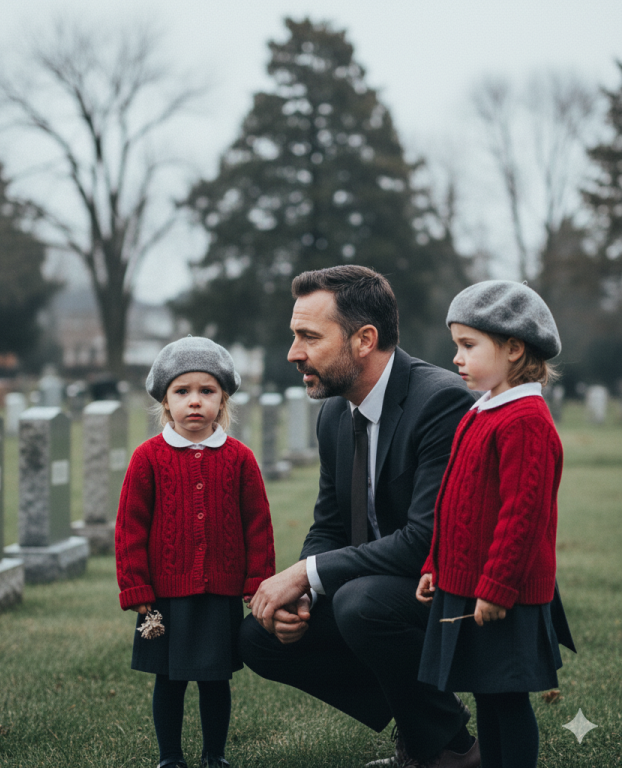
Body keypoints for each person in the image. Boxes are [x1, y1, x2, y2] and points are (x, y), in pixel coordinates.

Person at [241, 265, 481, 767]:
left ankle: (451, 748)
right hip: (375, 591)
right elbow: (329, 523)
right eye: (294, 336)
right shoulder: (335, 411)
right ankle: (423, 716)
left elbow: (425, 539)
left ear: (364, 339)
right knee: (259, 637)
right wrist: (303, 595)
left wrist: (305, 573)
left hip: (456, 591)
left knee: (359, 603)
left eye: (309, 336)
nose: (293, 353)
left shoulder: (440, 403)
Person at [416, 280, 576, 768]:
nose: (457, 358)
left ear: (512, 348)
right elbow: (453, 502)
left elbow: (522, 517)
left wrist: (497, 587)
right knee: (487, 694)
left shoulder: (525, 419)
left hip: (503, 591)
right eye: (456, 346)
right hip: (466, 584)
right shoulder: (483, 411)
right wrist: (434, 563)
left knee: (507, 699)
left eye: (468, 345)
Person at [115, 336, 275, 768]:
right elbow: (130, 526)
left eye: (206, 391)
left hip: (219, 594)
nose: (194, 402)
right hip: (165, 596)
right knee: (168, 680)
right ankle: (170, 757)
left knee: (214, 679)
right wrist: (136, 585)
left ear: (223, 398)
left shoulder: (240, 459)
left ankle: (214, 755)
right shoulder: (147, 458)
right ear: (165, 401)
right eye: (182, 392)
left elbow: (257, 524)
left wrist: (258, 583)